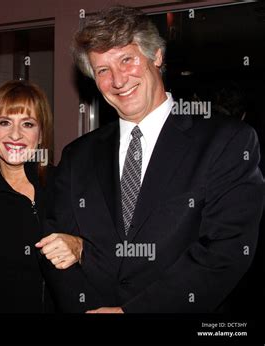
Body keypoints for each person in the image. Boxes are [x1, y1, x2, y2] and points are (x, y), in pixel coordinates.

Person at [41, 6, 264, 313]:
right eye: (103, 70)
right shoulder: (77, 155)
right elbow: (55, 247)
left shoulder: (226, 141)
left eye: (127, 60)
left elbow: (225, 250)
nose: (118, 80)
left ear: (156, 56)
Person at [0, 80, 81, 312]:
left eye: (27, 124)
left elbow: (109, 250)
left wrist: (80, 247)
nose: (15, 134)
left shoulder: (68, 185)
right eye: (5, 122)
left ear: (40, 134)